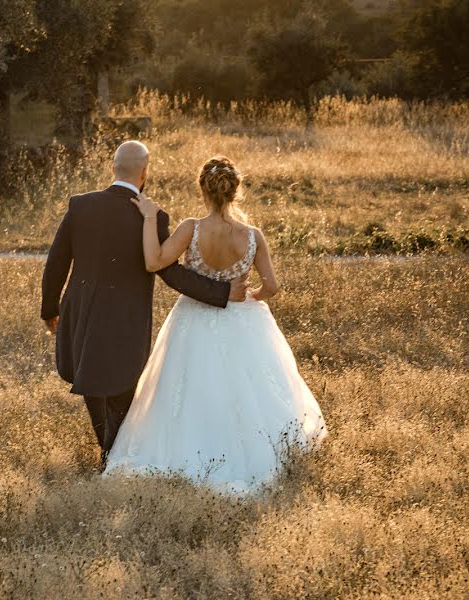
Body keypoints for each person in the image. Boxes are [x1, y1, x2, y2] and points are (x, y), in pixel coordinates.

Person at [103, 155, 328, 495]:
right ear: (235, 191)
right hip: (244, 319)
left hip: (192, 317)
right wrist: (251, 294)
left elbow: (154, 261)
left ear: (203, 191)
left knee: (189, 388)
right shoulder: (252, 236)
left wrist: (150, 218)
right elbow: (273, 287)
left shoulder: (190, 229)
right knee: (248, 390)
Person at [40, 141, 250, 468]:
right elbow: (171, 272)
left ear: (114, 168)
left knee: (90, 378)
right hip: (127, 319)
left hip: (81, 311)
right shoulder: (152, 216)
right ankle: (113, 451)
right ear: (144, 173)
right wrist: (221, 292)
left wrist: (50, 309)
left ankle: (107, 448)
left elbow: (56, 262)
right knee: (123, 385)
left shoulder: (81, 205)